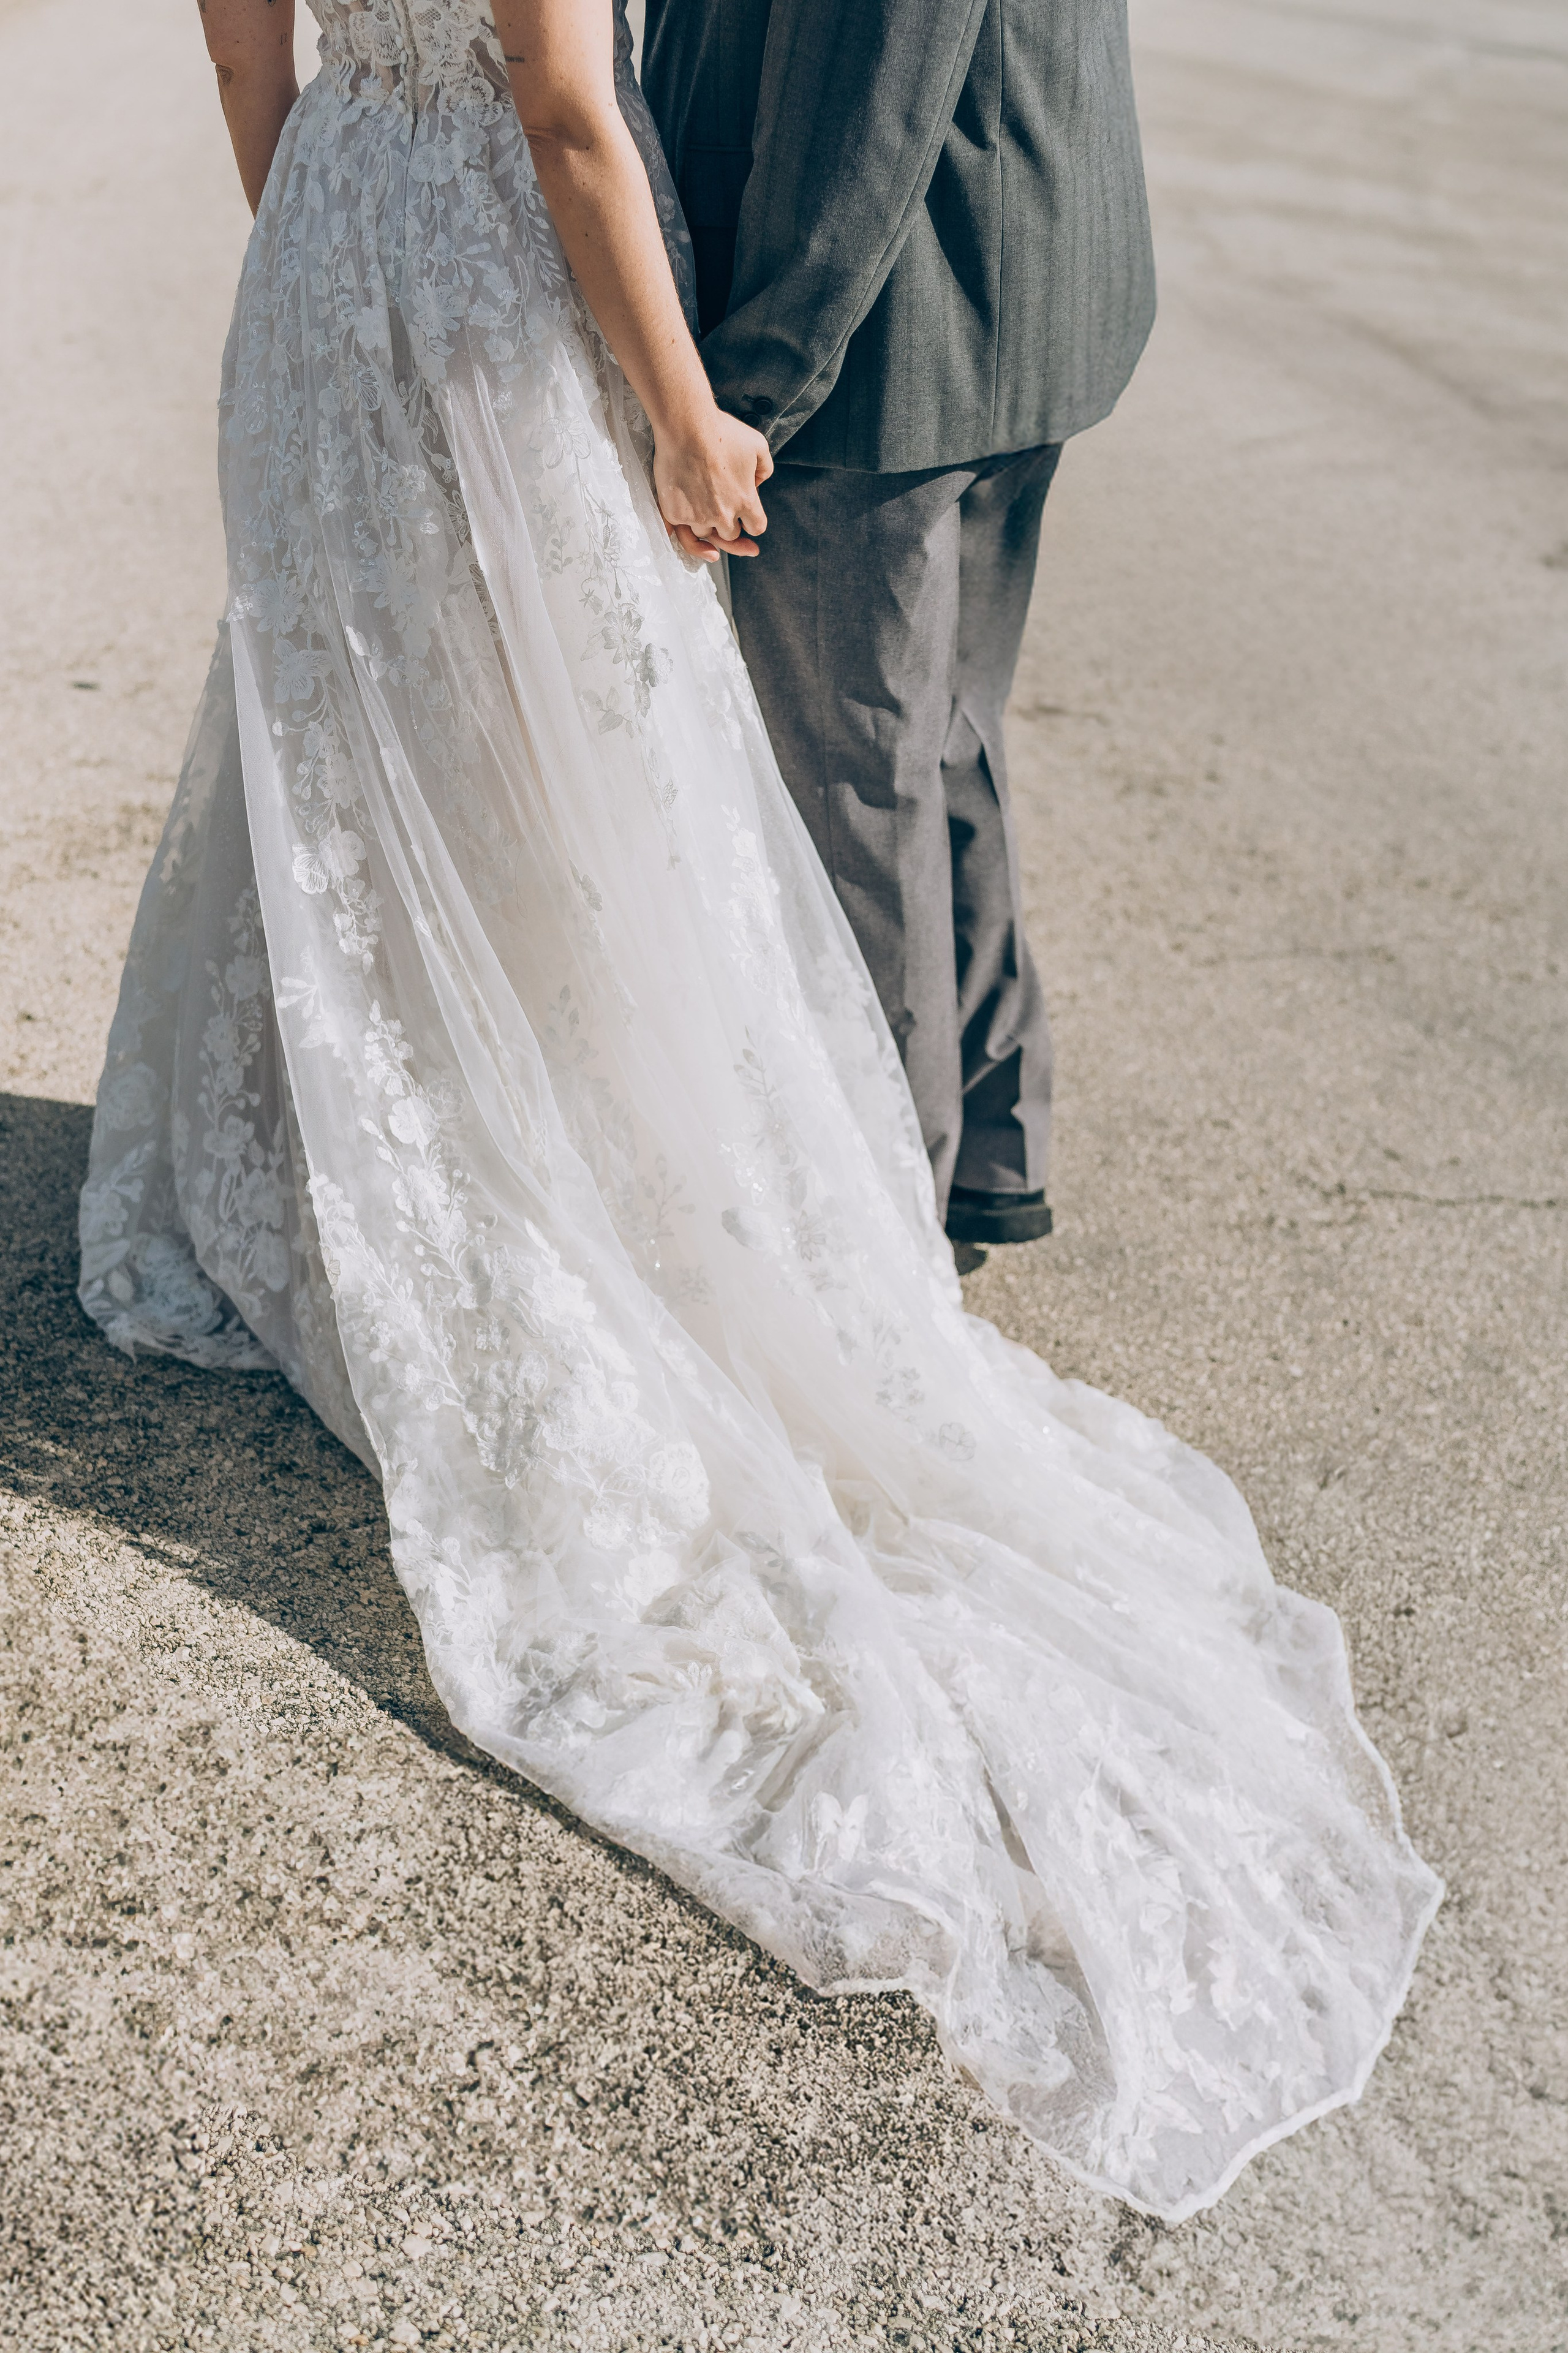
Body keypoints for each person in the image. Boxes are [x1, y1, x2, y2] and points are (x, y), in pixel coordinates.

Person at [79, 0, 1439, 2223]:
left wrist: (331, 252)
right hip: (504, 263)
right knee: (583, 775)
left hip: (327, 259)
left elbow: (254, 70)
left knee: (378, 752)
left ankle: (410, 1140)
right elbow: (561, 112)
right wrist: (692, 409)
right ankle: (756, 1194)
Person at [641, 0, 1156, 1248]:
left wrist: (755, 393)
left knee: (856, 792)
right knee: (939, 739)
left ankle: (879, 1230)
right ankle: (992, 1141)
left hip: (879, 336)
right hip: (1023, 269)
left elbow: (864, 86)